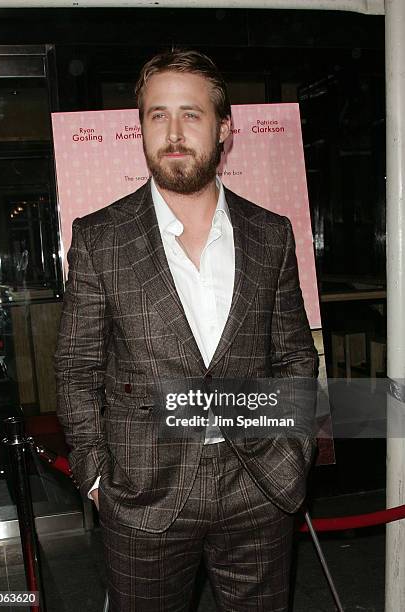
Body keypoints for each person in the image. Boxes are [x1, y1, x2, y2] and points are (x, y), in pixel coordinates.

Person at [54, 48, 318, 612]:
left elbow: (296, 356)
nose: (173, 133)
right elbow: (78, 368)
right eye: (157, 115)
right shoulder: (100, 237)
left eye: (191, 115)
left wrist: (291, 456)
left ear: (224, 129)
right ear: (142, 127)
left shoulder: (271, 234)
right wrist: (97, 477)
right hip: (142, 494)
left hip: (259, 486)